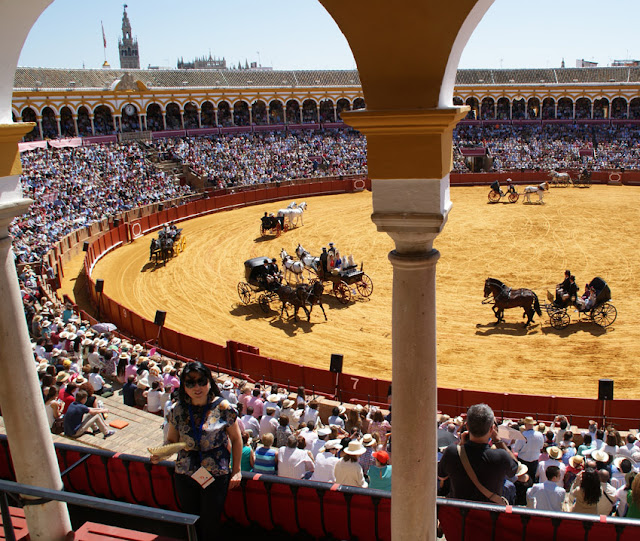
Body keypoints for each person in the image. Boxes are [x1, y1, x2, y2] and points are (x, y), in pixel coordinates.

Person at [151, 361, 242, 540]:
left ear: (209, 381)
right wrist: (160, 454)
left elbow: (237, 439)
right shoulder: (178, 409)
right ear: (184, 386)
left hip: (216, 475)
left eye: (201, 381)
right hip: (185, 473)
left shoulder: (223, 407)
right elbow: (171, 440)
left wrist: (237, 470)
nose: (197, 387)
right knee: (190, 520)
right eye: (190, 383)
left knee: (210, 522)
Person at [438, 403, 518, 502]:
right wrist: (497, 440)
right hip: (488, 514)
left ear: (467, 426)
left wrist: (461, 445)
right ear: (492, 429)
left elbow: (441, 476)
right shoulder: (501, 456)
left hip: (460, 513)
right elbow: (515, 468)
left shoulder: (452, 452)